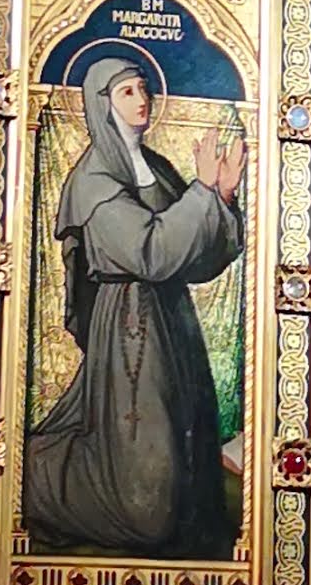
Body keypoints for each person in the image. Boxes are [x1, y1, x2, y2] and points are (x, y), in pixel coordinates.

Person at [22, 51, 247, 558]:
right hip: (130, 330)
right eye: (127, 91)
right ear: (101, 103)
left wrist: (222, 198)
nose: (141, 99)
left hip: (171, 323)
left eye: (144, 88)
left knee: (185, 472)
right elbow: (152, 252)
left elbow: (196, 261)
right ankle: (36, 479)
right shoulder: (95, 182)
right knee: (148, 494)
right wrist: (203, 193)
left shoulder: (157, 169)